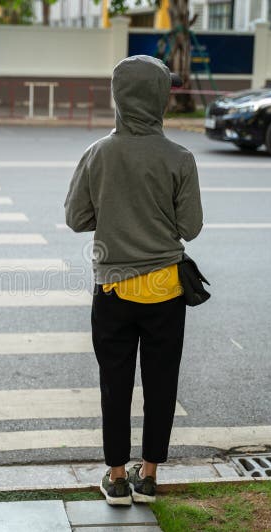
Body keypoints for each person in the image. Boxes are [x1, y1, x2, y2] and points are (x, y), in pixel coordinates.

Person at [64, 55, 203, 506]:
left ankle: (117, 476)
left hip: (114, 290)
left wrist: (115, 213)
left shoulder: (98, 153)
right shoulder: (180, 157)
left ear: (118, 98)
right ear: (162, 100)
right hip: (165, 290)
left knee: (114, 384)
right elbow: (191, 227)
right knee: (162, 383)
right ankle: (150, 476)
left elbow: (76, 218)